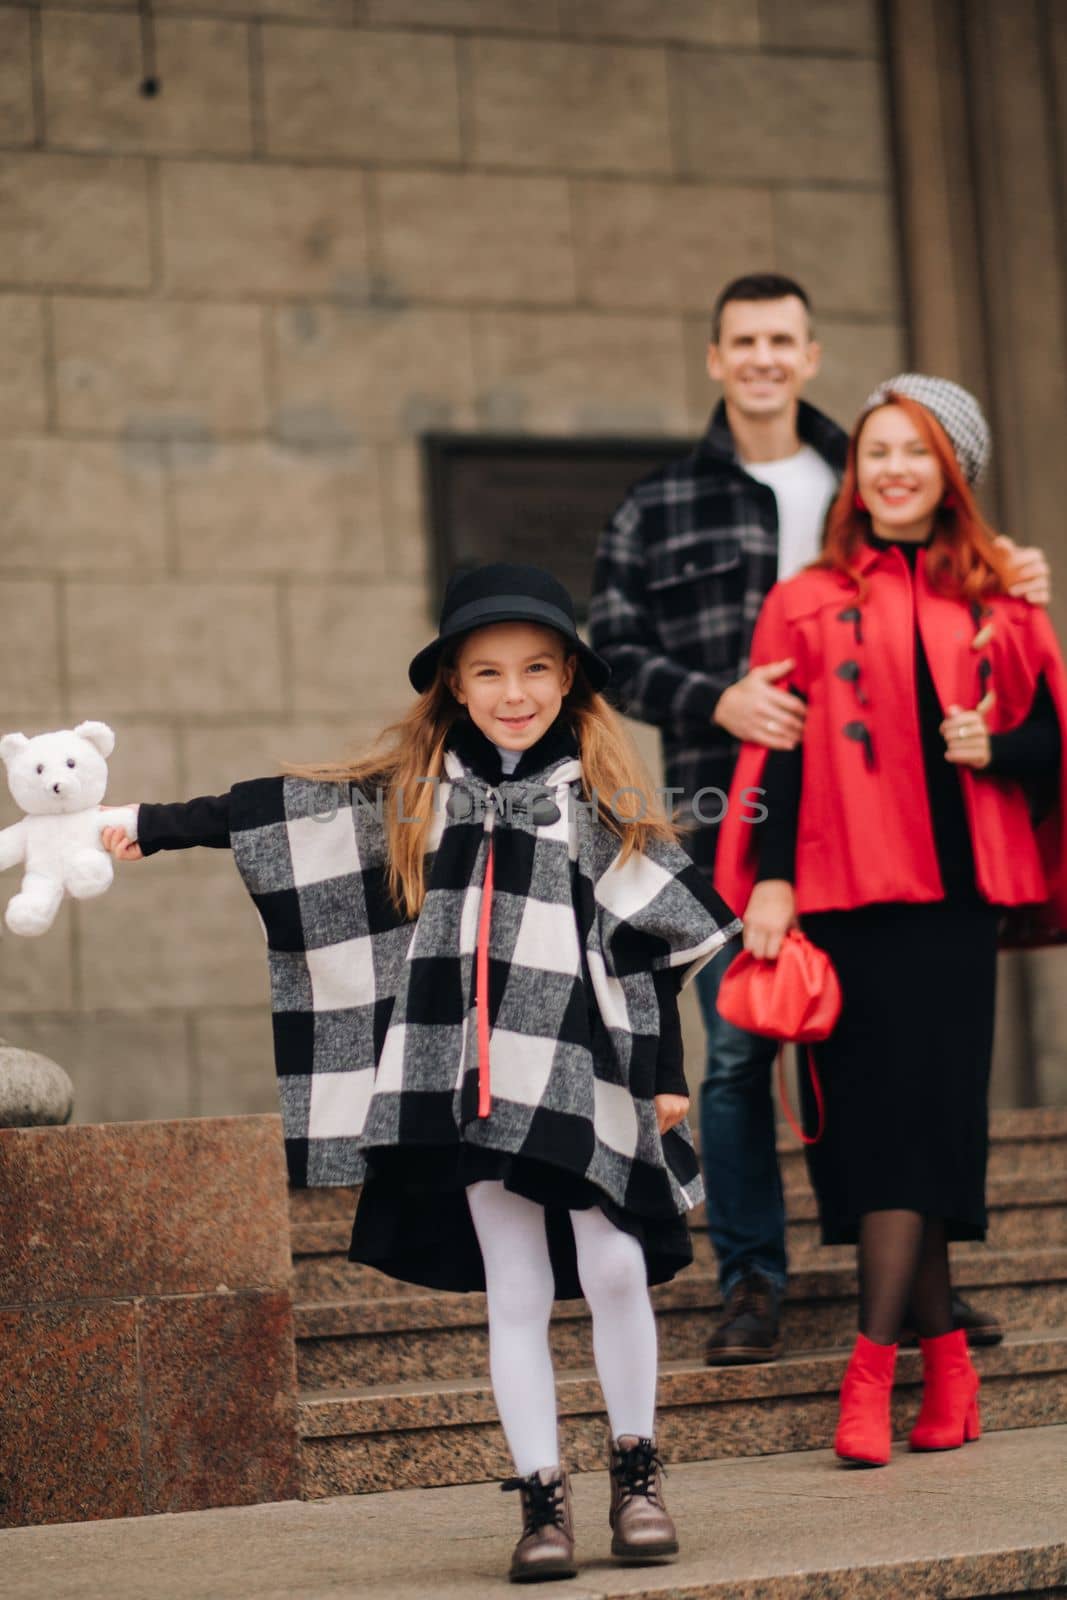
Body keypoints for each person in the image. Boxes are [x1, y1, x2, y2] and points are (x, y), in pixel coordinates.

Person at [102, 563, 740, 1583]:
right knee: (517, 1282)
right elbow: (273, 812)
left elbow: (652, 944)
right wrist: (150, 822)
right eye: (486, 671)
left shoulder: (596, 803)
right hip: (464, 1076)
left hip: (588, 1068)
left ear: (569, 673)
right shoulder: (411, 796)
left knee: (614, 1264)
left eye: (535, 668)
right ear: (451, 681)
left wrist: (663, 1070)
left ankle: (636, 1471)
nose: (514, 691)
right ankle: (540, 1499)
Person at [589, 273, 1049, 1364]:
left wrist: (1007, 573)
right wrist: (714, 694)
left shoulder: (872, 463)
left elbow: (946, 579)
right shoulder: (658, 504)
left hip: (886, 822)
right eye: (739, 339)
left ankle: (918, 1292)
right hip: (727, 800)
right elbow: (602, 650)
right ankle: (753, 1277)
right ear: (714, 358)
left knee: (884, 1054)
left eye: (779, 339)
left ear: (808, 353)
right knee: (746, 1048)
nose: (759, 356)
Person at [714, 375, 1067, 1466]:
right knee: (870, 1138)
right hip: (840, 895)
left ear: (948, 471)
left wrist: (989, 748)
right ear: (854, 473)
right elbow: (773, 744)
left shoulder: (1000, 602)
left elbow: (1051, 743)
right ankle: (947, 1367)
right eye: (876, 452)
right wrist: (770, 878)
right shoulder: (804, 598)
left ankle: (869, 1372)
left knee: (921, 1131)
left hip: (950, 911)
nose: (894, 470)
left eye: (916, 452)